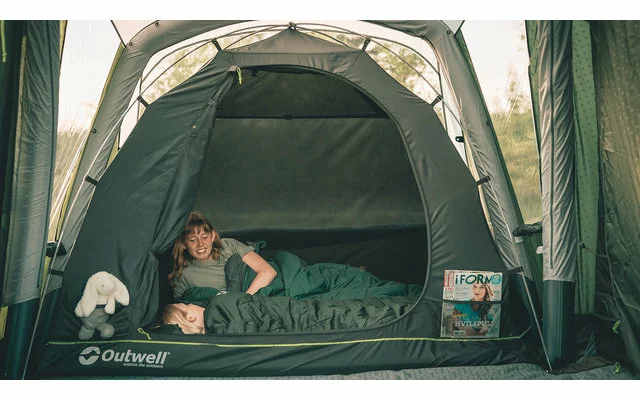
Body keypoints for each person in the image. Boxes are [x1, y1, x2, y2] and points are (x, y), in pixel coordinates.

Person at [168, 211, 277, 299]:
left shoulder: (229, 246)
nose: (200, 244)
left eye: (205, 237)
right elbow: (179, 308)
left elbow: (268, 271)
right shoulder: (183, 274)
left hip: (255, 292)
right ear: (183, 244)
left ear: (212, 236)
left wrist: (242, 302)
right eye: (192, 240)